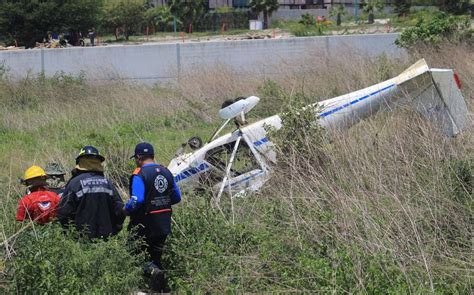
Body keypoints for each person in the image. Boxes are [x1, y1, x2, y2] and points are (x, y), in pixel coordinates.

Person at [124, 142, 181, 292]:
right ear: (153, 156)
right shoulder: (166, 171)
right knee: (155, 256)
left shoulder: (139, 174)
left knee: (134, 254)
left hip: (145, 223)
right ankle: (160, 289)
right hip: (164, 223)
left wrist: (126, 209)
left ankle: (145, 283)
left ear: (138, 158)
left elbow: (137, 199)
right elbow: (176, 197)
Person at [57, 146, 125, 239]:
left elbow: (63, 212)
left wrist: (70, 234)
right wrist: (116, 228)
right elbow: (120, 209)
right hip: (106, 240)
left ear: (79, 162)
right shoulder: (108, 183)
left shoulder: (74, 183)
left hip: (81, 241)